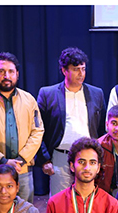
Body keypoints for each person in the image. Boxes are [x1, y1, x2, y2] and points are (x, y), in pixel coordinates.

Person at [0, 52, 44, 203]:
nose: (6, 76)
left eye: (11, 71)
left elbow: (37, 131)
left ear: (17, 74)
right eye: (1, 71)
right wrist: (3, 161)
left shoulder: (29, 100)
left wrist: (21, 160)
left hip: (22, 170)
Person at [37, 47, 105, 197]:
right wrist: (44, 160)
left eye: (83, 69)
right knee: (60, 202)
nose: (81, 73)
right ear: (64, 71)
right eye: (76, 69)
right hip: (60, 156)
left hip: (88, 156)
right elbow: (37, 130)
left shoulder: (97, 93)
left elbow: (102, 128)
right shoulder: (48, 94)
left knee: (87, 201)